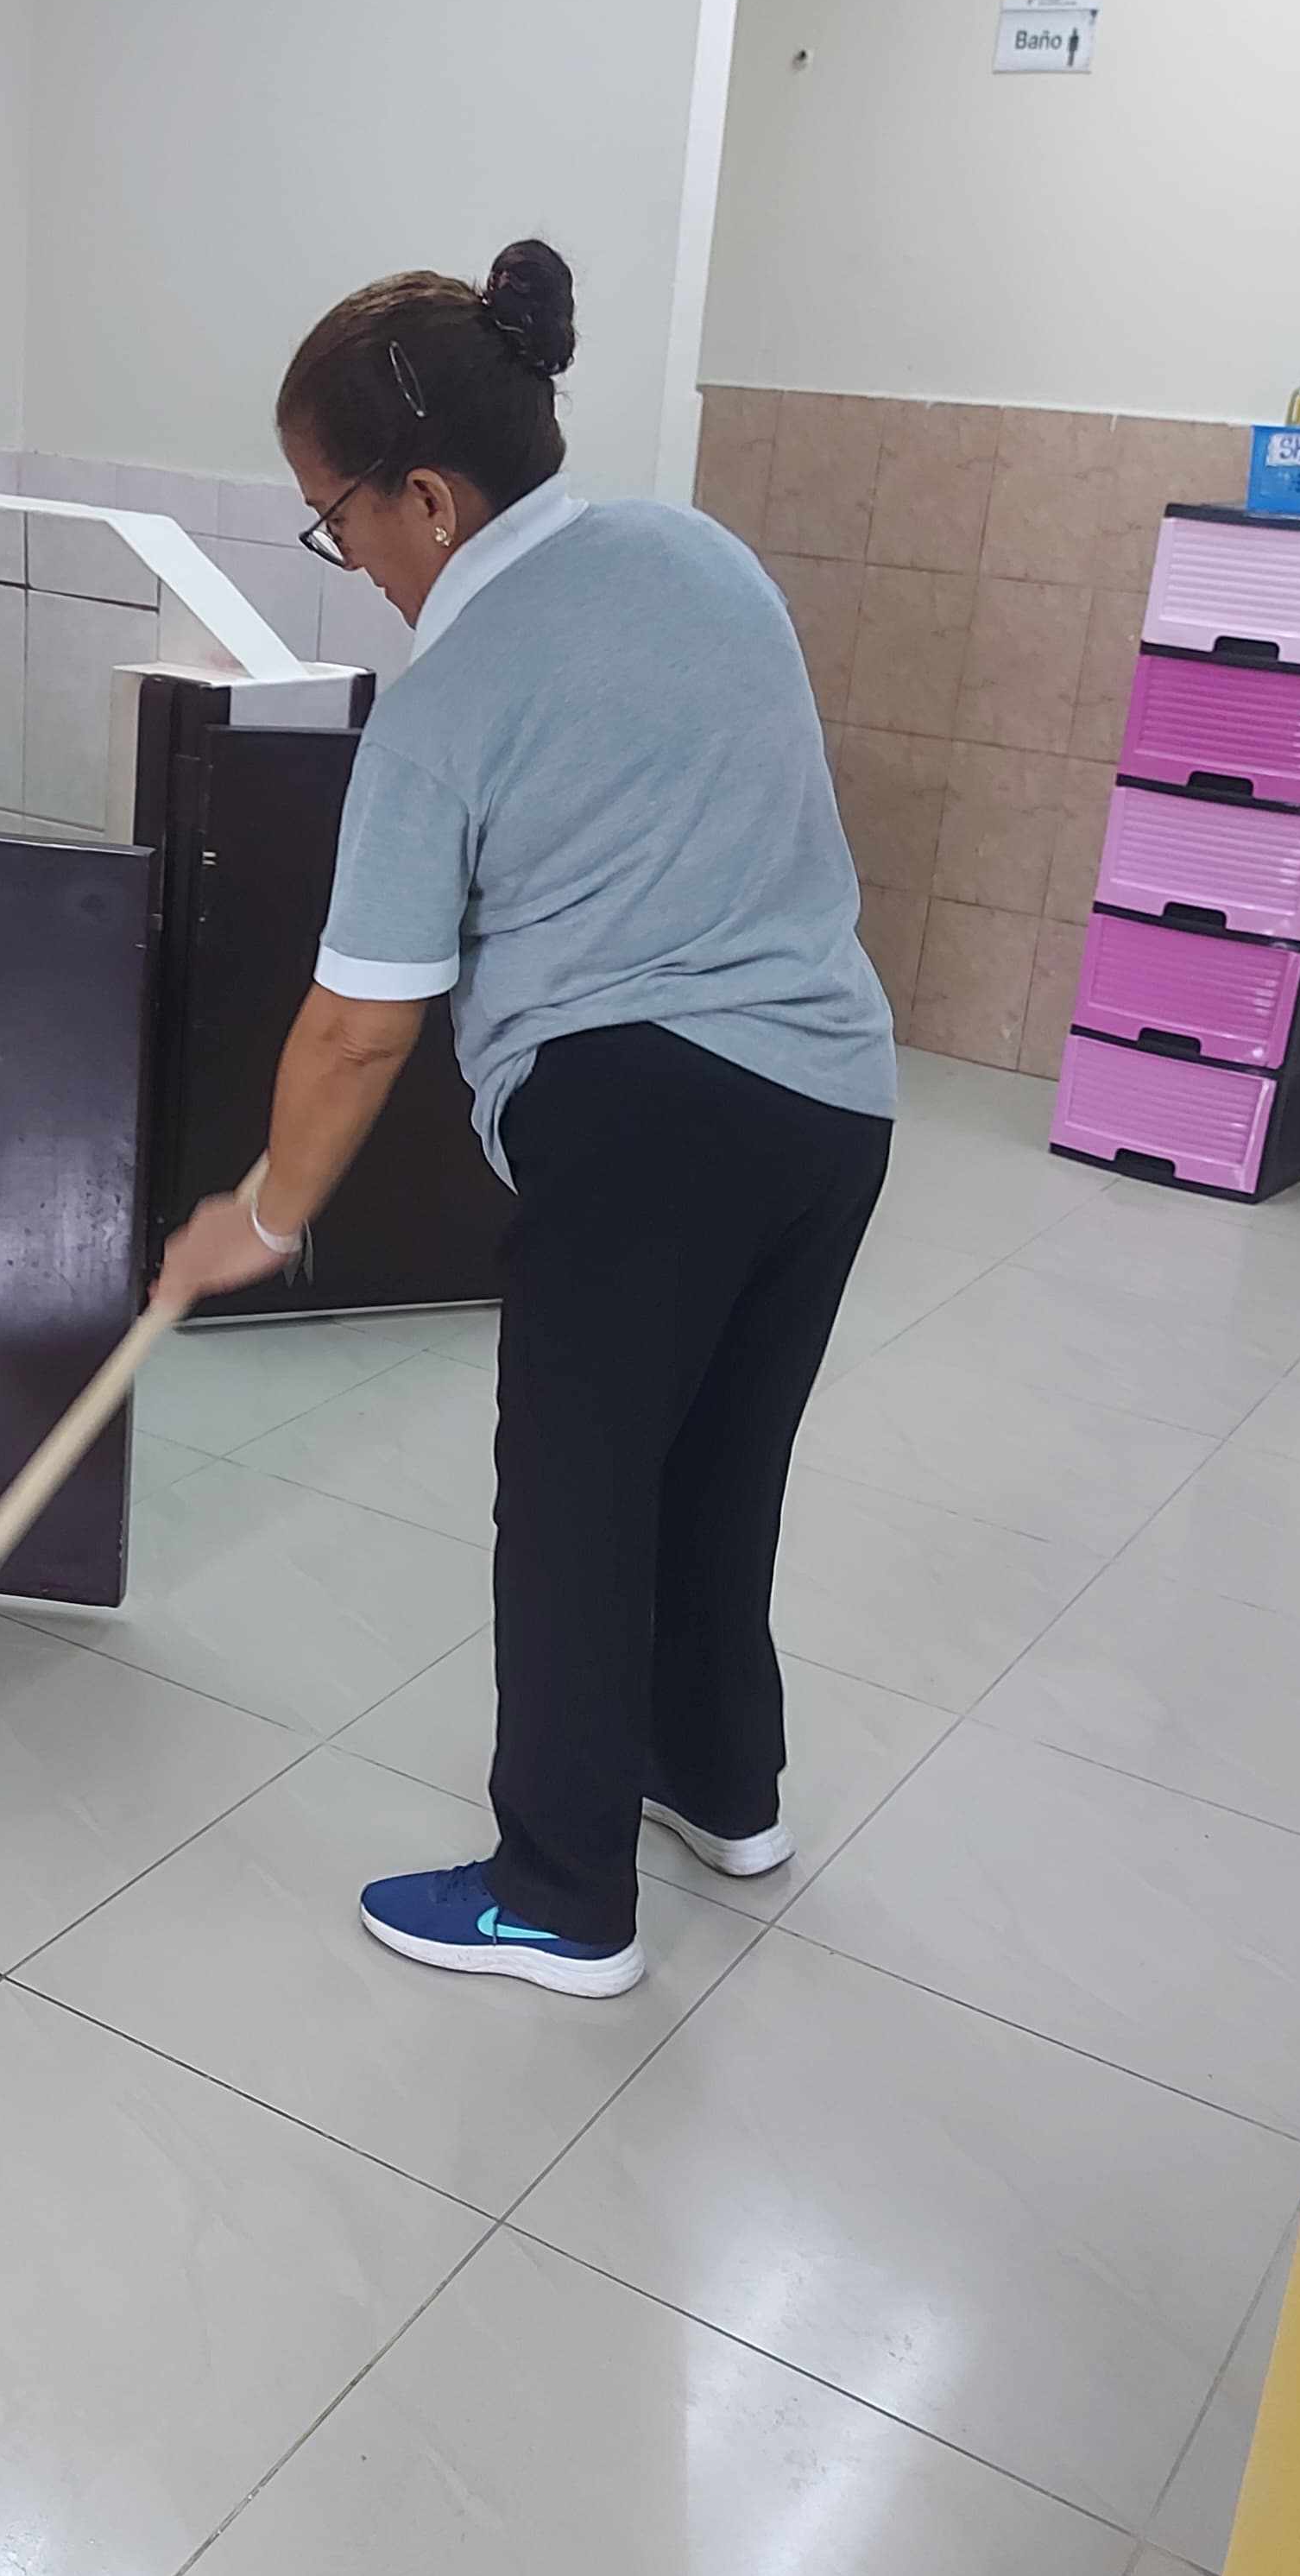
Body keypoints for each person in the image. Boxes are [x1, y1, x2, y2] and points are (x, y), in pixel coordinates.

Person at [155, 238, 896, 1999]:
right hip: (835, 1101)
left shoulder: (446, 702)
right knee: (718, 1466)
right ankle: (718, 1786)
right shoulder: (698, 555)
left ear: (425, 494)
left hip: (644, 1129)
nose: (352, 560)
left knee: (574, 1505)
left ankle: (559, 1894)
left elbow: (357, 1028)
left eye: (337, 520)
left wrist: (259, 1216)